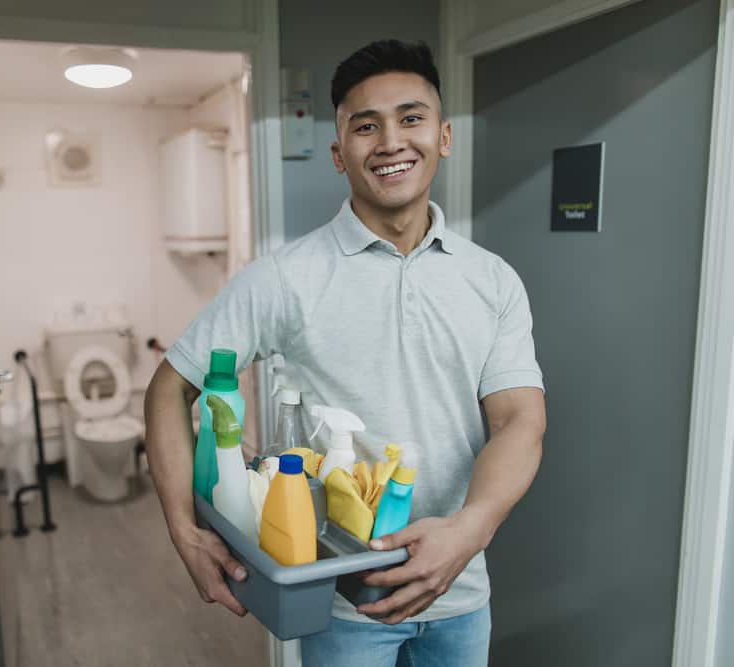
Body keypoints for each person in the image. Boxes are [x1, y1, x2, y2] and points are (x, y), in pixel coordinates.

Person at [143, 39, 546, 666]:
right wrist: (183, 530)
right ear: (339, 154)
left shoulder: (492, 280)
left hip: (462, 595)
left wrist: (473, 528)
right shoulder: (285, 278)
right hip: (338, 603)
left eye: (411, 118)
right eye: (366, 126)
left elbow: (520, 420)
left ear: (442, 137)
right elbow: (170, 386)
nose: (390, 141)